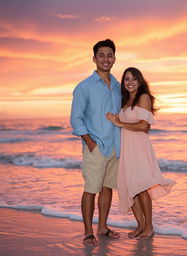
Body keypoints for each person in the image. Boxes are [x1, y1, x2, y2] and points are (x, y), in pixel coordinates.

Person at [106, 67, 176, 240]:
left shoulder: (143, 97)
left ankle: (149, 227)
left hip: (139, 148)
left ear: (140, 81)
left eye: (134, 79)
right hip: (126, 148)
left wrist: (119, 123)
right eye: (127, 79)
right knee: (131, 187)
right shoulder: (124, 100)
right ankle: (140, 225)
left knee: (142, 187)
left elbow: (145, 127)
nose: (130, 82)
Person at [70, 39, 121, 246]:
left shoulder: (118, 85)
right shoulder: (84, 86)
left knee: (107, 188)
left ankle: (102, 227)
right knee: (91, 189)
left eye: (109, 55)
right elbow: (76, 118)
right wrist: (90, 142)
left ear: (114, 59)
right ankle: (87, 231)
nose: (106, 58)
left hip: (115, 147)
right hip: (96, 146)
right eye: (102, 55)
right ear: (94, 59)